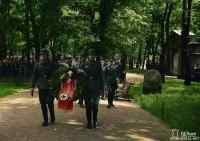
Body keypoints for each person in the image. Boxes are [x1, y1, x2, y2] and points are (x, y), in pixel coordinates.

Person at [31, 49, 56, 127]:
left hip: (50, 88)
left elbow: (56, 75)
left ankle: (52, 117)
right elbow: (34, 76)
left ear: (48, 56)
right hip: (41, 87)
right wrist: (32, 87)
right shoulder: (37, 65)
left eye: (45, 55)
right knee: (43, 104)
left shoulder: (52, 65)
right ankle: (45, 120)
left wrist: (52, 79)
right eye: (42, 55)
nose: (43, 56)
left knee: (50, 103)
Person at [84, 56, 103, 129]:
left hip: (96, 89)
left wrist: (102, 90)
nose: (91, 57)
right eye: (90, 56)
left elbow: (101, 77)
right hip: (87, 89)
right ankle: (89, 122)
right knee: (88, 107)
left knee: (95, 106)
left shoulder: (98, 65)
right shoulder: (85, 64)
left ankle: (94, 121)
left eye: (92, 55)